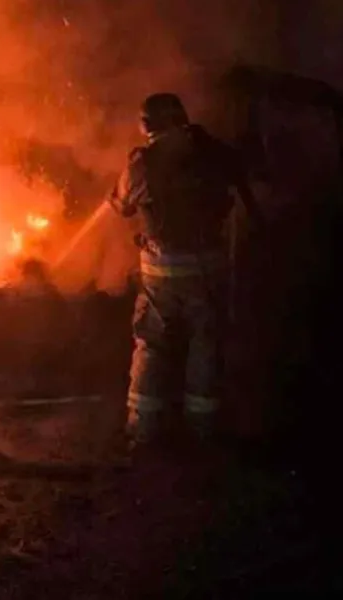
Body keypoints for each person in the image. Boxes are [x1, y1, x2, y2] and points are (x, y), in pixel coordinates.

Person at [107, 92, 256, 449]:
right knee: (206, 345)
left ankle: (144, 429)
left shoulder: (143, 164)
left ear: (147, 125)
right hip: (208, 271)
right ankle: (203, 428)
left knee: (153, 345)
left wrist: (115, 197)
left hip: (160, 275)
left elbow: (122, 205)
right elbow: (240, 180)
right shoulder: (211, 154)